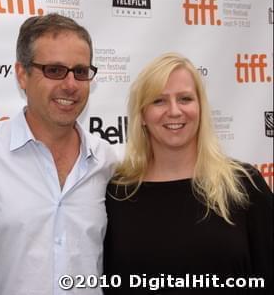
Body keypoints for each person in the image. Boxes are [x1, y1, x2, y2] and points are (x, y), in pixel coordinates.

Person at [0, 13, 117, 295]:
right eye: (55, 70)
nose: (71, 85)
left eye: (80, 71)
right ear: (22, 75)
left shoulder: (107, 162)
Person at [103, 52, 272, 294]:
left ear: (201, 108)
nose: (174, 111)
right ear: (142, 116)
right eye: (159, 101)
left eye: (185, 98)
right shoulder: (118, 194)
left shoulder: (244, 185)